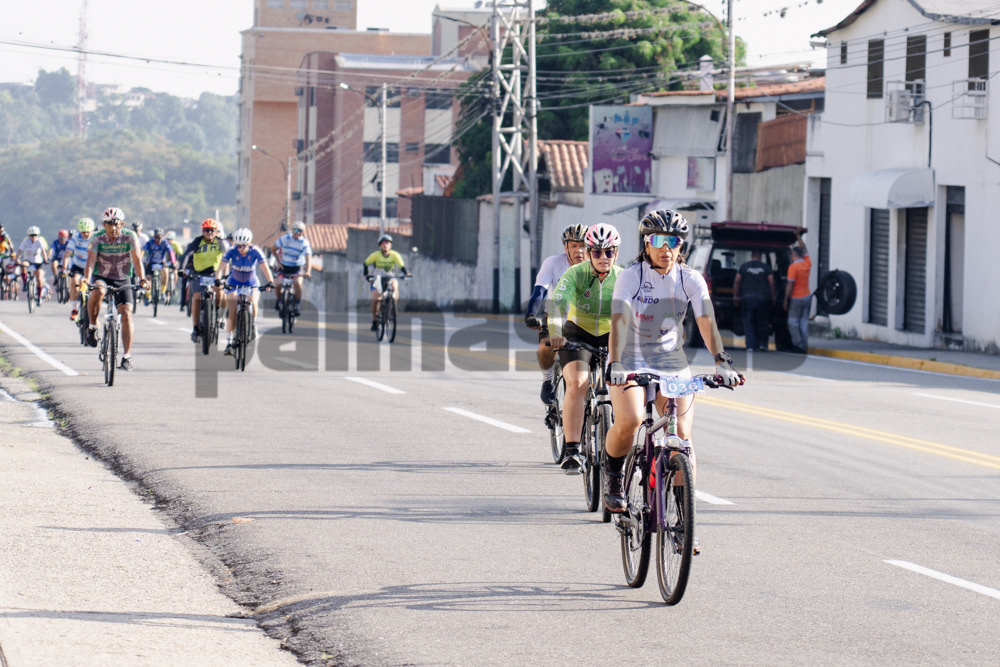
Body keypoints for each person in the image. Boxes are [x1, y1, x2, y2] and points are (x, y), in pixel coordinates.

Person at [604, 210, 742, 551]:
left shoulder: (690, 279)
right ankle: (614, 476)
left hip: (670, 359)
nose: (666, 248)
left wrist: (722, 361)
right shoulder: (631, 276)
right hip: (629, 356)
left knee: (681, 438)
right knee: (630, 420)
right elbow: (619, 319)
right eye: (658, 241)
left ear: (682, 246)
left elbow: (706, 321)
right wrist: (616, 362)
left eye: (674, 241)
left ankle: (682, 522)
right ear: (646, 244)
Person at [547, 223, 622, 472]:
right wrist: (556, 334)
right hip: (578, 332)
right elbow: (558, 306)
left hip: (611, 334)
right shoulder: (575, 274)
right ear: (589, 253)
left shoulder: (623, 277)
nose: (603, 257)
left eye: (608, 252)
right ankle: (572, 450)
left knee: (624, 385)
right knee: (579, 381)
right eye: (597, 252)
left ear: (616, 253)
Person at [523, 224, 588, 405]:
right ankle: (547, 380)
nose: (579, 251)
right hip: (556, 314)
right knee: (546, 346)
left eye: (582, 246)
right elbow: (540, 290)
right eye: (573, 246)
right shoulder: (553, 263)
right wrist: (531, 313)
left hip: (585, 318)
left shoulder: (595, 265)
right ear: (566, 247)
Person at [82, 207, 149, 371]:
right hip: (102, 275)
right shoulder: (97, 237)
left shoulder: (130, 236)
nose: (113, 228)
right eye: (109, 224)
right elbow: (91, 261)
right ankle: (92, 326)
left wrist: (142, 279)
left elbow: (136, 260)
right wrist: (86, 278)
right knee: (98, 291)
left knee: (126, 314)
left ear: (122, 224)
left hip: (123, 277)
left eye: (116, 224)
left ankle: (126, 357)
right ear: (103, 224)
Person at [219, 228, 274, 356]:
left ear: (249, 243)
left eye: (244, 245)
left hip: (251, 283)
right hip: (234, 283)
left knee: (253, 302)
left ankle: (252, 324)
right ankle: (229, 343)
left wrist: (270, 282)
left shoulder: (255, 251)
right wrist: (218, 279)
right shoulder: (231, 250)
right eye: (238, 245)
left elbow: (265, 267)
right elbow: (221, 267)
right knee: (232, 310)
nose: (241, 248)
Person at [180, 219, 228, 343]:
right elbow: (187, 254)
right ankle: (195, 328)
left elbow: (228, 256)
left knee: (220, 291)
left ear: (216, 232)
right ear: (202, 231)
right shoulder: (197, 241)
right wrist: (181, 268)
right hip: (199, 274)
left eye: (212, 230)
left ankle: (217, 312)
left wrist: (227, 275)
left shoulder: (221, 242)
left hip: (215, 274)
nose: (209, 233)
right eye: (206, 230)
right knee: (196, 297)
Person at [362, 233, 409, 331]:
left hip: (389, 276)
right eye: (383, 243)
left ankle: (393, 308)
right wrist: (366, 274)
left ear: (390, 245)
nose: (385, 245)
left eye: (387, 242)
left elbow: (401, 265)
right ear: (380, 245)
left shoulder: (395, 255)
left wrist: (406, 273)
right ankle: (375, 320)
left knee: (395, 285)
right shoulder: (376, 255)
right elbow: (366, 263)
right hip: (377, 277)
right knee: (376, 299)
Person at [733, 249, 776, 352]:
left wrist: (735, 296)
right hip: (763, 299)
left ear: (752, 256)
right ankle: (762, 345)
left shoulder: (744, 266)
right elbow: (772, 282)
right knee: (763, 322)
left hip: (747, 298)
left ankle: (750, 346)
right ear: (760, 256)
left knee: (749, 323)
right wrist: (773, 296)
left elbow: (737, 281)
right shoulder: (766, 267)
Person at [272, 221, 313, 318]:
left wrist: (308, 271)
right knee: (278, 284)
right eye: (297, 230)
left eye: (301, 231)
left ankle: (297, 305)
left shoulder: (304, 243)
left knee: (297, 284)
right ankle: (279, 301)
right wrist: (279, 263)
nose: (299, 233)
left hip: (297, 267)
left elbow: (308, 257)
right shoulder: (285, 239)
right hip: (284, 266)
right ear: (293, 230)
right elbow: (273, 249)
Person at [784, 233, 812, 354]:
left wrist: (785, 300)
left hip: (796, 298)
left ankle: (799, 345)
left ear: (793, 255)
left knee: (793, 323)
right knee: (803, 323)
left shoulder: (793, 267)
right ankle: (804, 345)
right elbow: (804, 248)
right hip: (807, 296)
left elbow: (790, 285)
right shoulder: (807, 263)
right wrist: (798, 237)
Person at [64, 217, 96, 317]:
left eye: (87, 232)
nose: (85, 234)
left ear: (92, 230)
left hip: (92, 266)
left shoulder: (96, 238)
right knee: (74, 281)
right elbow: (67, 253)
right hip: (78, 265)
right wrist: (64, 268)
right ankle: (74, 309)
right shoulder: (75, 238)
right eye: (83, 232)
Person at [15, 226, 49, 303]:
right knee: (23, 265)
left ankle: (39, 296)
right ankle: (24, 283)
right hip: (28, 259)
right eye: (31, 235)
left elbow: (43, 250)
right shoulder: (26, 241)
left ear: (37, 235)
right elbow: (20, 250)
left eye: (35, 235)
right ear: (29, 235)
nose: (33, 237)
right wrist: (16, 259)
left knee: (39, 279)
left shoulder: (39, 241)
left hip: (37, 261)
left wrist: (45, 259)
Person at [142, 228, 176, 299]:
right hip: (151, 262)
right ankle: (148, 296)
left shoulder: (165, 243)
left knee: (165, 272)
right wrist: (141, 258)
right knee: (148, 278)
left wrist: (173, 262)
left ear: (162, 237)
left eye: (159, 237)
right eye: (155, 237)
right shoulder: (150, 242)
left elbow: (171, 252)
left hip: (161, 263)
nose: (157, 239)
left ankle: (163, 292)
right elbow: (143, 250)